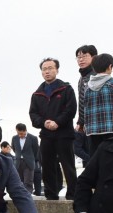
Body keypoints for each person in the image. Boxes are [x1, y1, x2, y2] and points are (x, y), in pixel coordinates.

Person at [29, 57, 78, 200]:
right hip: (46, 135)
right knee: (47, 165)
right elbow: (33, 114)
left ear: (57, 70)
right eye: (44, 69)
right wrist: (44, 123)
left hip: (64, 134)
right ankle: (51, 194)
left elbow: (71, 110)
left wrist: (57, 122)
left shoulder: (66, 89)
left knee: (68, 165)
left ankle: (73, 193)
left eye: (50, 68)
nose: (47, 71)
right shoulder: (37, 94)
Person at [81, 53, 113, 156]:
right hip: (112, 129)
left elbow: (84, 106)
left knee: (96, 160)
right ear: (110, 66)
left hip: (92, 130)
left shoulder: (87, 86)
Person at [74, 44, 99, 149]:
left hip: (96, 123)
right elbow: (82, 101)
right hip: (86, 124)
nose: (81, 59)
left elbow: (92, 102)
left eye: (84, 56)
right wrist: (80, 121)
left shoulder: (96, 75)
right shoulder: (82, 78)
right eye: (78, 57)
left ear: (93, 57)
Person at [11, 123, 40, 194]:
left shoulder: (33, 138)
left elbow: (36, 150)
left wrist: (30, 157)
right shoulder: (14, 138)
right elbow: (14, 149)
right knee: (19, 181)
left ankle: (27, 196)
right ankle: (20, 195)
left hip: (29, 162)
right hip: (18, 162)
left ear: (25, 130)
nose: (20, 135)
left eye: (21, 133)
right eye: (18, 133)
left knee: (28, 182)